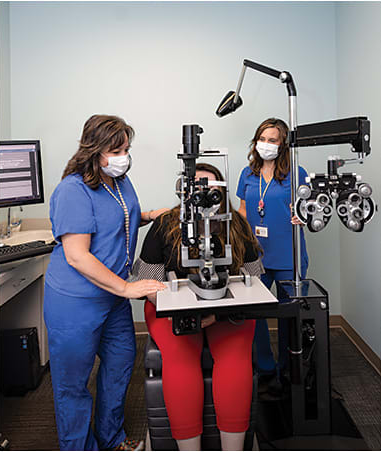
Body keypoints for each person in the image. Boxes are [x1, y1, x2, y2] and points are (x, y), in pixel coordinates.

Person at [44, 114, 166, 451]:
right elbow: (77, 255)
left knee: (120, 366)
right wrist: (128, 288)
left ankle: (111, 439)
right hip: (76, 301)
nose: (123, 156)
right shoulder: (73, 190)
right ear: (94, 150)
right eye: (115, 149)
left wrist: (150, 215)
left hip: (111, 298)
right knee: (72, 384)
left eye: (126, 148)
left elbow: (118, 217)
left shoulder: (119, 181)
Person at [132, 163, 264, 451]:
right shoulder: (166, 223)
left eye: (211, 190)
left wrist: (218, 311)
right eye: (197, 190)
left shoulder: (237, 225)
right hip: (171, 308)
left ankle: (234, 447)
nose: (204, 196)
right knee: (180, 357)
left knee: (235, 357)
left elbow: (254, 276)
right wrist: (183, 311)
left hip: (227, 308)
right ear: (185, 193)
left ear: (221, 192)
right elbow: (147, 281)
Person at [236, 117, 309, 394]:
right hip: (257, 257)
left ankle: (288, 369)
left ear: (283, 145)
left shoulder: (296, 173)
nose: (266, 145)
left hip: (289, 255)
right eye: (262, 139)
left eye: (273, 140)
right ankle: (266, 367)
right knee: (253, 315)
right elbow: (243, 211)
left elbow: (309, 209)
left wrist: (301, 216)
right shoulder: (247, 173)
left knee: (289, 315)